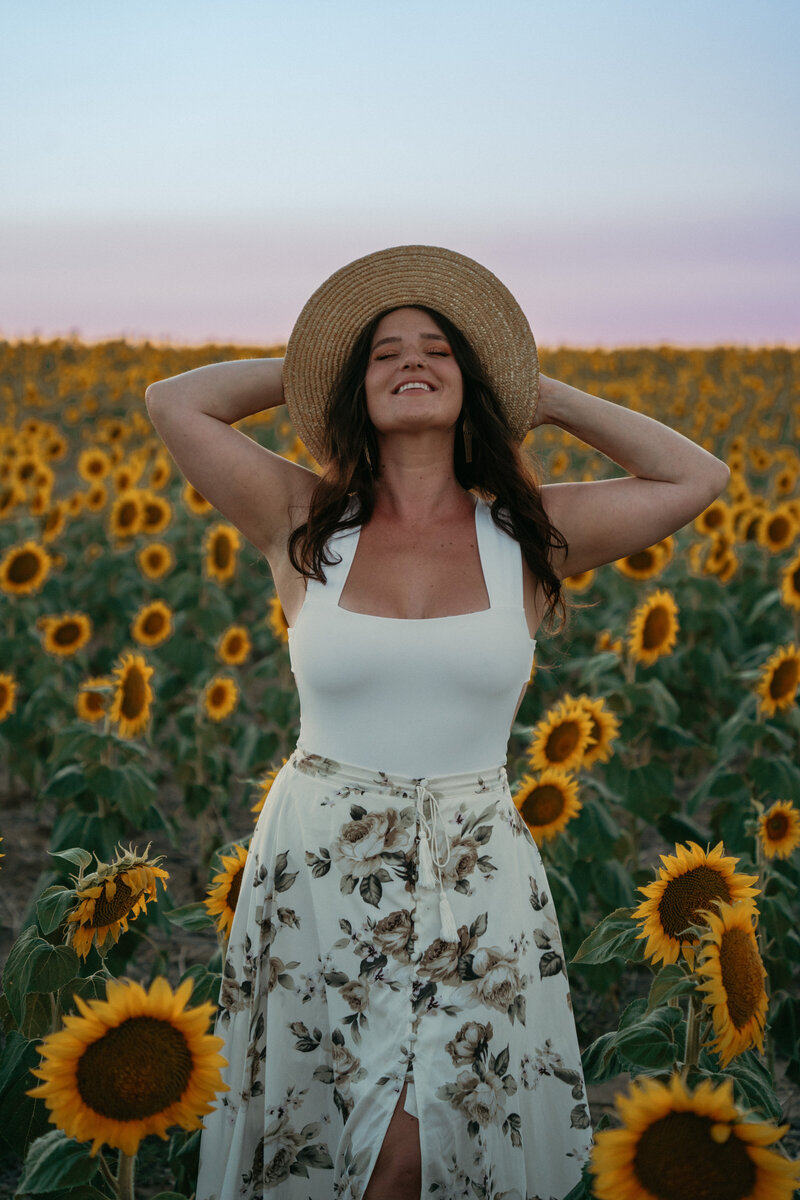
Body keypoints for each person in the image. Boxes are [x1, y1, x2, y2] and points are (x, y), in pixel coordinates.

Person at [145, 245, 730, 1200]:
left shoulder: (528, 537)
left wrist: (549, 396)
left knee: (429, 1154)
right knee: (333, 1149)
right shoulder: (300, 519)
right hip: (320, 873)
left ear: (475, 385)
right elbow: (175, 401)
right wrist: (311, 365)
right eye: (383, 354)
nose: (410, 362)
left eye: (438, 352)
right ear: (353, 386)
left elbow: (694, 480)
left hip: (474, 875)